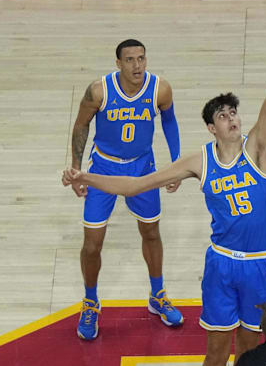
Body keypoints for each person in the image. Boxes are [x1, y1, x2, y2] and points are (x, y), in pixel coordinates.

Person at [63, 20, 266, 365]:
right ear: (212, 128)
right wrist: (85, 174)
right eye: (223, 115)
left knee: (252, 349)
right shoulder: (200, 161)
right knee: (216, 353)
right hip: (221, 262)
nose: (232, 118)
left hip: (260, 263)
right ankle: (97, 300)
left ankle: (158, 294)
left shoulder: (258, 150)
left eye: (234, 112)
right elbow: (134, 186)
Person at [67, 39, 183, 340]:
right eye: (130, 60)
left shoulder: (160, 89)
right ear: (118, 63)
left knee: (152, 233)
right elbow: (81, 126)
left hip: (142, 167)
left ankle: (157, 295)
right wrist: (77, 169)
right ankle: (90, 303)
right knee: (92, 243)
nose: (137, 66)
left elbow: (170, 122)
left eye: (141, 59)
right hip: (103, 169)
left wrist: (176, 165)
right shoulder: (99, 90)